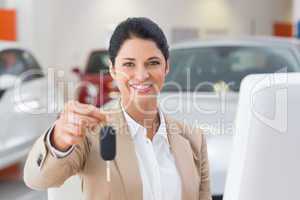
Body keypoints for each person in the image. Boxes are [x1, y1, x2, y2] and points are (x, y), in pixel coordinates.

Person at [23, 17, 212, 200]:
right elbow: (37, 179)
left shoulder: (193, 139)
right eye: (129, 64)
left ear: (166, 66)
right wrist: (58, 140)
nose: (141, 75)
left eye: (153, 63)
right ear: (113, 70)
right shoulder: (90, 132)